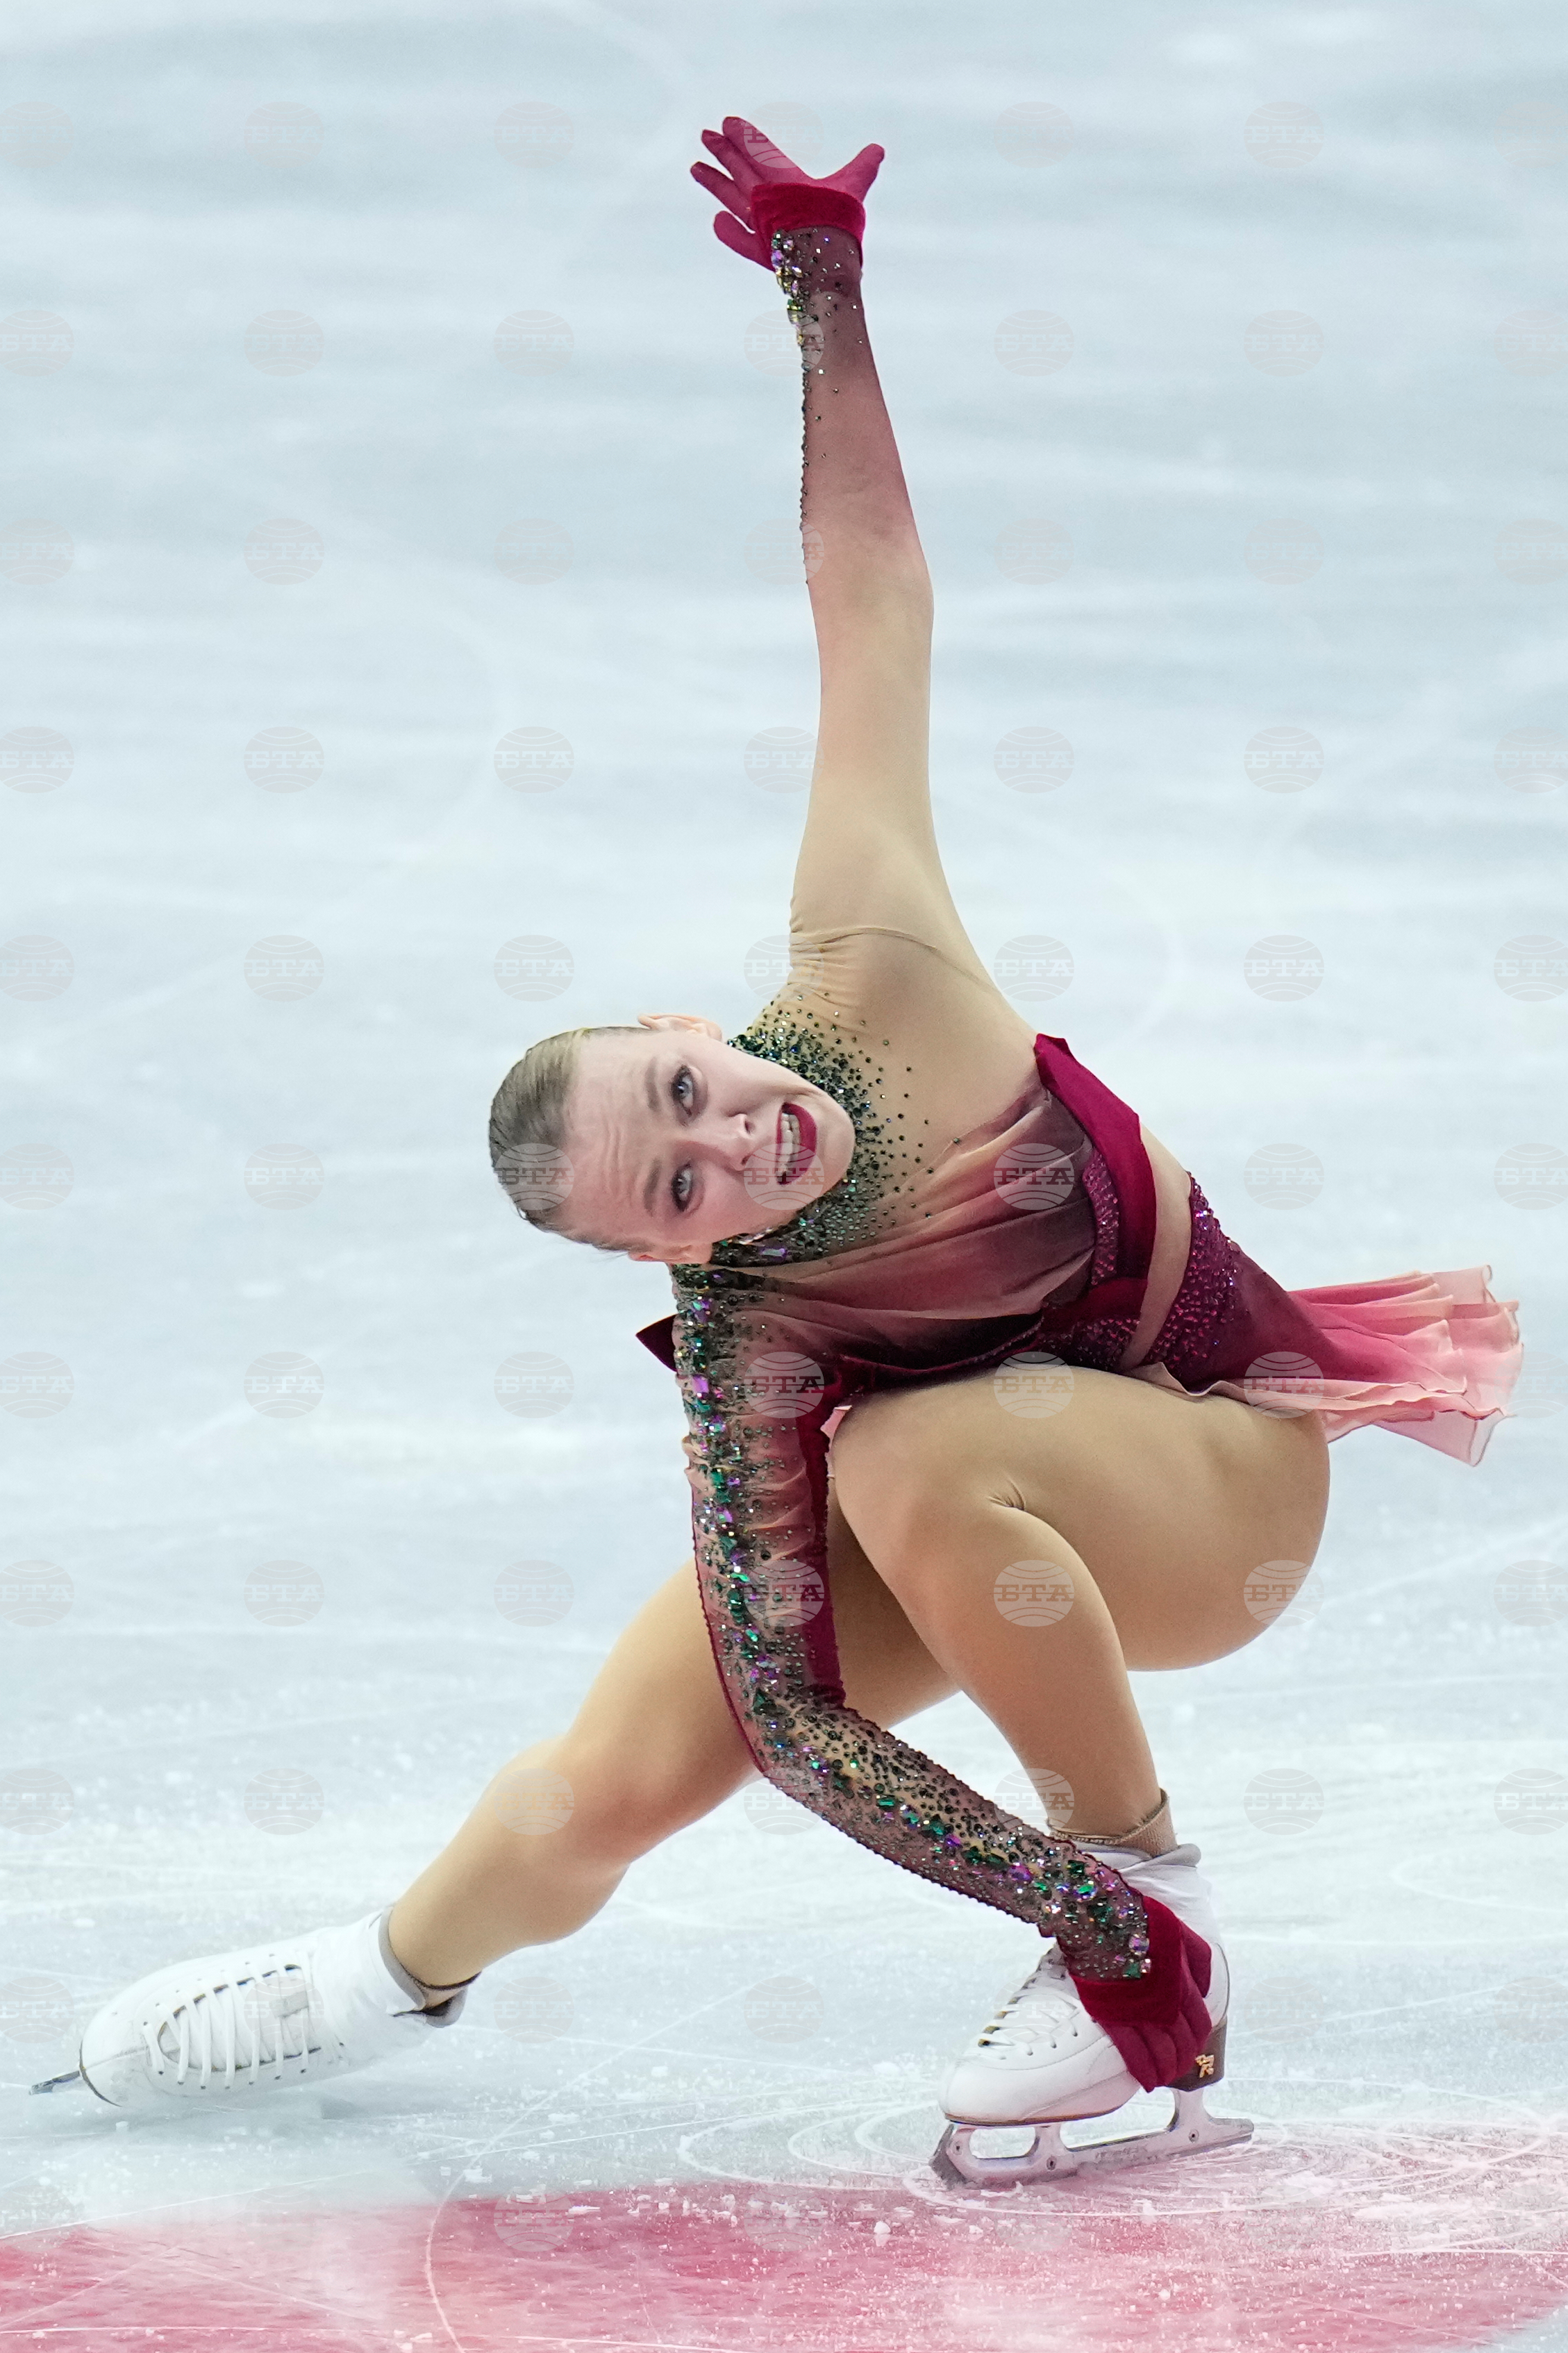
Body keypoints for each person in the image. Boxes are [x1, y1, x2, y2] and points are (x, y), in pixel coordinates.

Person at [53, 122, 1520, 2177]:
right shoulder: (747, 1351)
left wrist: (823, 300)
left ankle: (1157, 1866)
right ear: (666, 1262)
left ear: (681, 1023)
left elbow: (868, 599)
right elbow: (806, 1726)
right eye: (679, 1193)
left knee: (914, 1449)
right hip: (991, 1521)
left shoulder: (874, 956)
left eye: (683, 1097)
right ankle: (381, 1974)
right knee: (611, 1770)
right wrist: (1044, 1912)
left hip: (1198, 1478)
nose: (727, 1148)